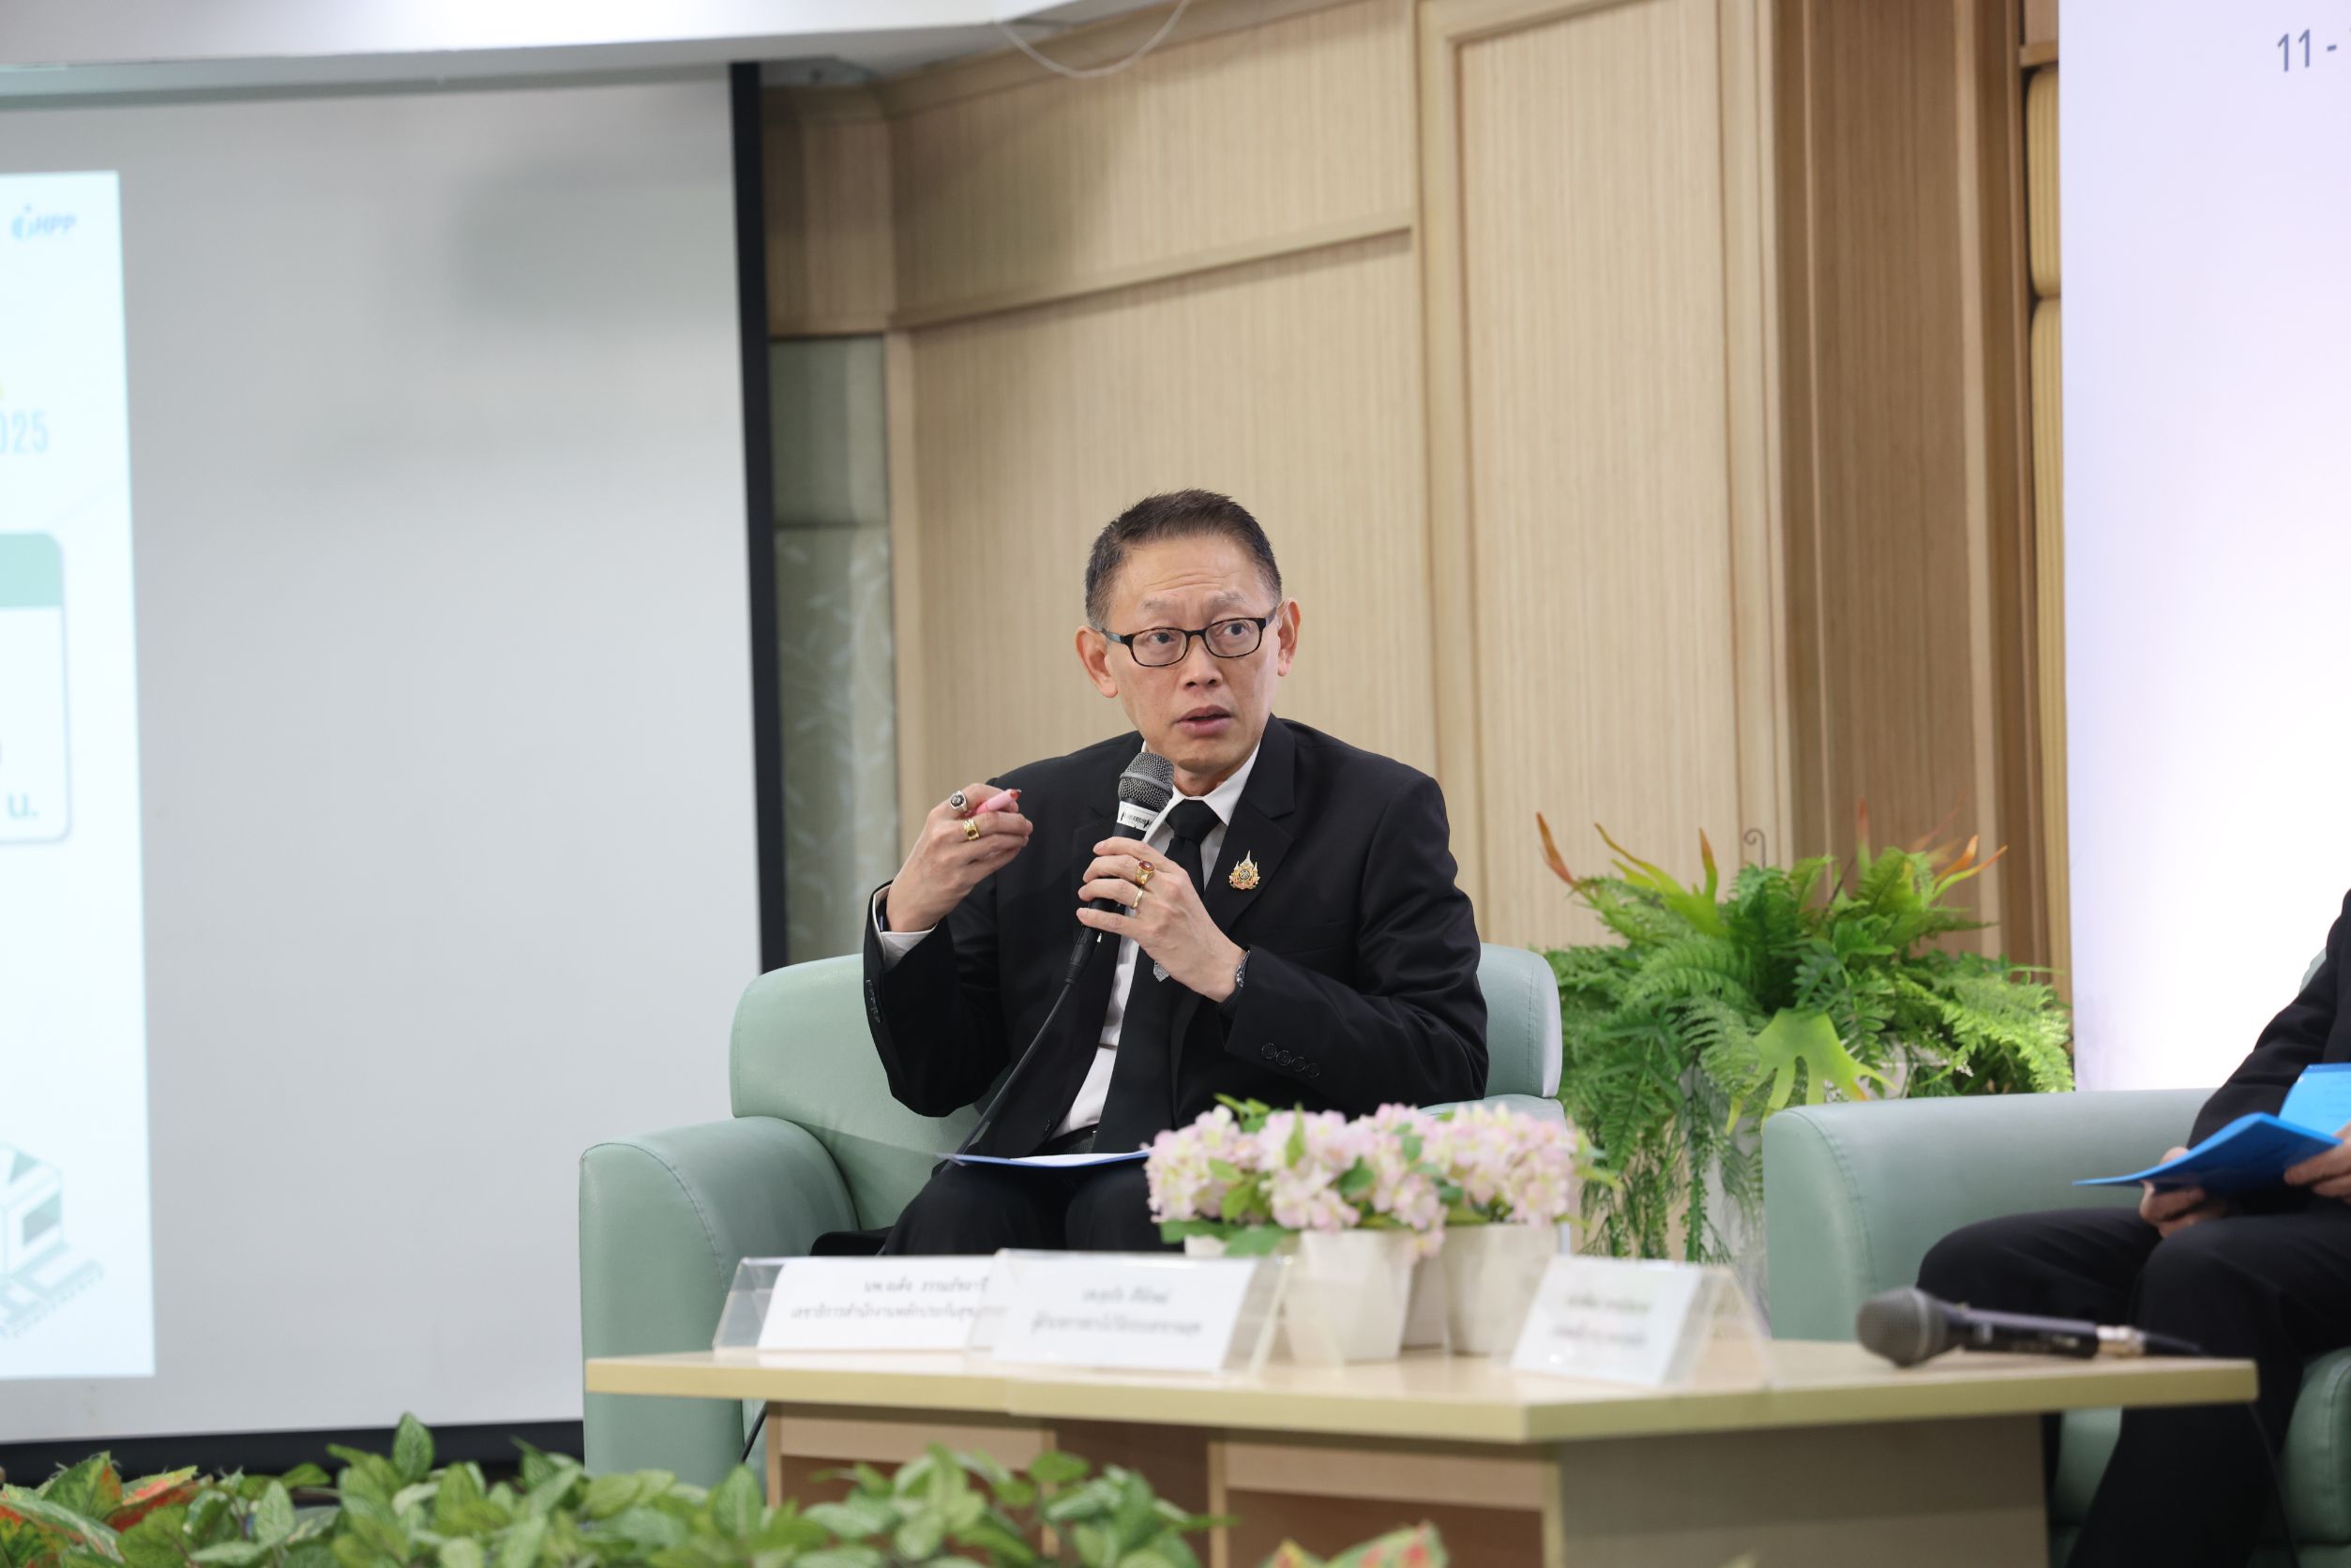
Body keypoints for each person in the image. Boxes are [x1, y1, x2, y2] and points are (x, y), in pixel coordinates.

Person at [859, 490, 1487, 1255]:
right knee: (952, 1215)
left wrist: (1231, 972)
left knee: (1134, 1210)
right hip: (1034, 1161)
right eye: (1159, 639)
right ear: (1101, 662)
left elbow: (1446, 1060)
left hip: (1227, 1174)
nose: (1200, 671)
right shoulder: (1037, 811)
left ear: (1283, 638)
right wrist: (909, 919)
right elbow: (935, 1082)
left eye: (1232, 631)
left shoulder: (1379, 810)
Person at [1918, 891, 2351, 1566]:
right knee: (1981, 1266)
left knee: (2206, 1269)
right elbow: (2291, 1052)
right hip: (2301, 1212)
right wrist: (2213, 1169)